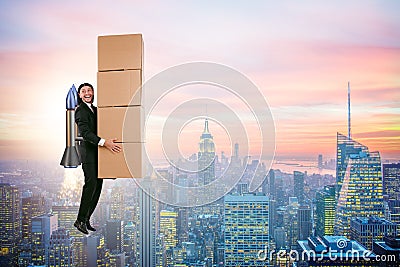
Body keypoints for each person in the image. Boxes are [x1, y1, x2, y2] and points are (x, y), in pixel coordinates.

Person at [73, 82, 121, 235]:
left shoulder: (95, 110)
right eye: (83, 91)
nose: (87, 93)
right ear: (80, 95)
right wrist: (104, 142)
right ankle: (79, 220)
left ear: (93, 93)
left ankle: (87, 219)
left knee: (98, 185)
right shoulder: (80, 111)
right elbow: (86, 133)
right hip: (88, 153)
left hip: (98, 153)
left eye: (89, 90)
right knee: (91, 184)